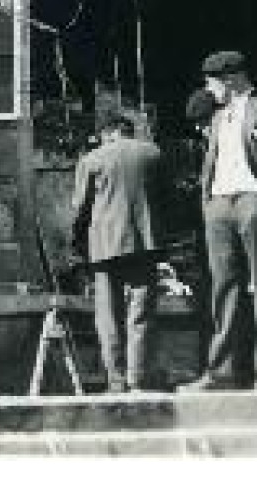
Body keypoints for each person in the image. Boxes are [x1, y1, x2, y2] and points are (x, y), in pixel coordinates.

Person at [179, 50, 257, 393]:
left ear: (230, 79)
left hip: (252, 201)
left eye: (211, 82)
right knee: (223, 289)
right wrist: (209, 204)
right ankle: (222, 372)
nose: (208, 88)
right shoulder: (217, 118)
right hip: (219, 206)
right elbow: (211, 163)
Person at [70, 112, 170, 393]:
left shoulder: (92, 160)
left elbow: (80, 209)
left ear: (108, 133)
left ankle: (116, 381)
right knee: (140, 314)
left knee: (108, 316)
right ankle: (138, 378)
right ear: (128, 131)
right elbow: (167, 199)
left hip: (104, 246)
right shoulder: (152, 154)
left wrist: (76, 246)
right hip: (144, 243)